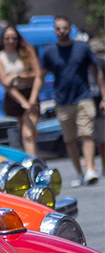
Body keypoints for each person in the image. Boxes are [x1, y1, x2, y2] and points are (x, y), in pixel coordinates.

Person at [41, 15, 101, 186]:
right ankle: (79, 173)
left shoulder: (82, 48)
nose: (62, 31)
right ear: (55, 31)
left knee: (86, 134)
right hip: (62, 101)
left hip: (84, 97)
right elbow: (40, 76)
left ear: (70, 29)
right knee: (69, 140)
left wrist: (103, 95)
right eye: (59, 29)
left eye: (65, 28)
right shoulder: (49, 52)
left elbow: (96, 72)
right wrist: (33, 100)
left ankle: (90, 169)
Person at [0, 26, 41, 155]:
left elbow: (38, 75)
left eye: (14, 38)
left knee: (28, 134)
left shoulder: (27, 52)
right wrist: (22, 102)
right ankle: (24, 163)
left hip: (30, 94)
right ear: (3, 40)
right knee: (19, 136)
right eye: (7, 38)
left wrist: (17, 75)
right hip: (13, 98)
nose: (11, 41)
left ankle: (33, 165)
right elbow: (6, 83)